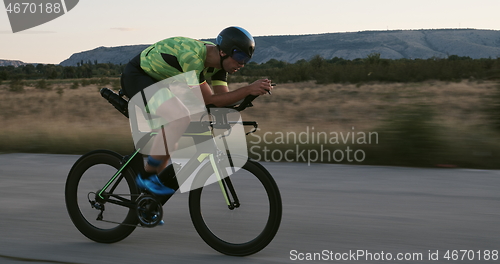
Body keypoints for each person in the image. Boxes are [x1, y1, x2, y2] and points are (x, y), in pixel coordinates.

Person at [120, 26, 273, 196]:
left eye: (246, 59)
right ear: (224, 52)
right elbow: (208, 100)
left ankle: (147, 197)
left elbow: (222, 100)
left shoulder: (219, 66)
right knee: (180, 118)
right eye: (239, 56)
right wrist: (248, 89)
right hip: (138, 76)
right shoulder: (192, 58)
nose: (241, 64)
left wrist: (250, 96)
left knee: (175, 134)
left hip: (161, 81)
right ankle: (146, 177)